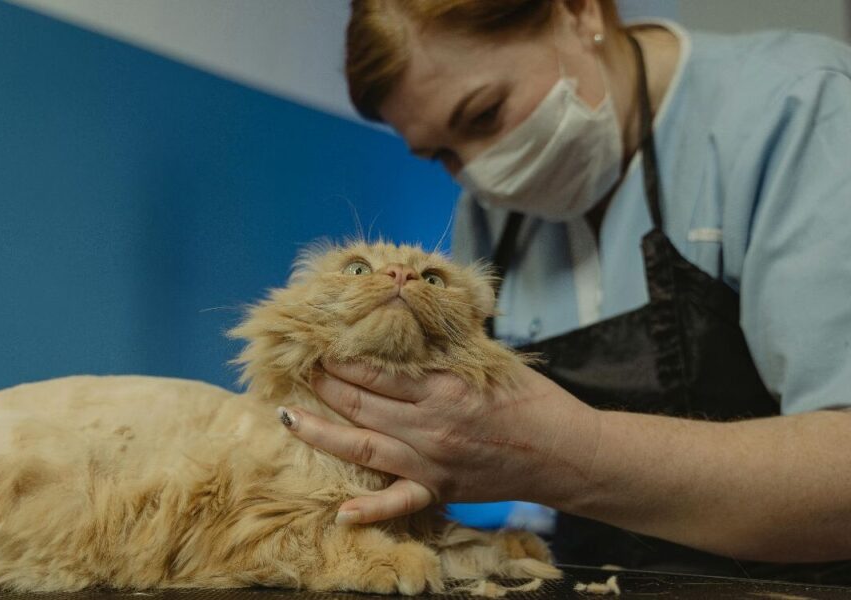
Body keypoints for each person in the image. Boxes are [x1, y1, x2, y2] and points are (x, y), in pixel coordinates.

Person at [277, 0, 851, 585]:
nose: (482, 174)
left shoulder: (801, 110)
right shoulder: (490, 218)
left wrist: (575, 454)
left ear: (579, 13)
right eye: (443, 156)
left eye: (485, 115)